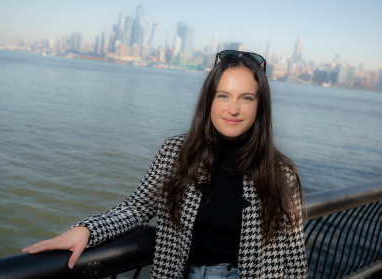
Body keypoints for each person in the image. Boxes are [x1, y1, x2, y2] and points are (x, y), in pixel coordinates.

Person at [22, 50, 308, 278]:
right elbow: (137, 208)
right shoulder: (177, 152)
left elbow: (294, 259)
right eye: (223, 96)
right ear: (209, 100)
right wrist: (86, 230)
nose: (233, 109)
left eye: (246, 98)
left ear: (260, 105)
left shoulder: (280, 172)